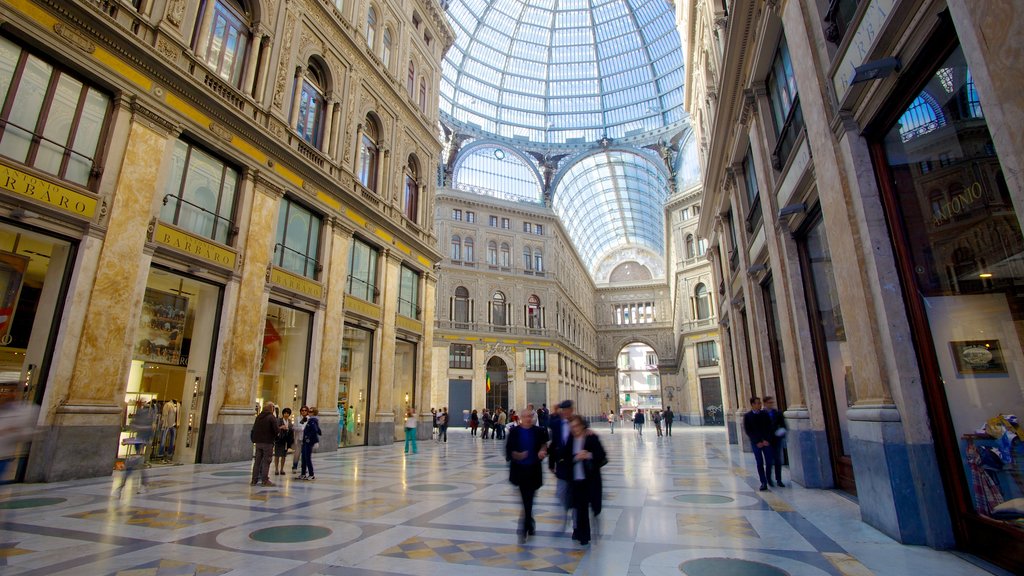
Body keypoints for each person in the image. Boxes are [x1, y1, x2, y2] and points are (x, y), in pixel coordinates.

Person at [555, 415, 607, 546]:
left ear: (583, 425)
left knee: (587, 507)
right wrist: (576, 457)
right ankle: (582, 534)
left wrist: (588, 455)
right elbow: (564, 456)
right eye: (572, 427)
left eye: (576, 426)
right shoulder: (571, 439)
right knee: (580, 508)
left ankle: (584, 534)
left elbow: (602, 455)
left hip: (589, 479)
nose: (574, 429)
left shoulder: (591, 437)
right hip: (576, 480)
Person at [506, 408, 549, 543]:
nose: (528, 419)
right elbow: (508, 451)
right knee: (527, 499)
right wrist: (516, 455)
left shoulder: (539, 431)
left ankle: (527, 523)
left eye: (530, 416)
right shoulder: (514, 432)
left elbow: (544, 446)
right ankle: (526, 525)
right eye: (525, 417)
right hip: (520, 471)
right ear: (520, 418)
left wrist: (543, 451)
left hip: (534, 470)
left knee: (528, 499)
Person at [548, 400, 575, 528]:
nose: (565, 412)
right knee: (560, 493)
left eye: (567, 410)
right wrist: (550, 463)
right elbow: (553, 444)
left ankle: (576, 526)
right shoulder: (557, 424)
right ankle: (564, 516)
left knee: (577, 498)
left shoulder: (578, 423)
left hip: (576, 467)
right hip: (562, 466)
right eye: (563, 410)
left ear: (571, 410)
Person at [119, 400, 156, 496]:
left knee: (135, 464)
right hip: (140, 441)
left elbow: (137, 427)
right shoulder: (142, 415)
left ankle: (123, 486)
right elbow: (135, 426)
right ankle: (140, 485)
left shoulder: (145, 415)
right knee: (137, 464)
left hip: (141, 441)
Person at [743, 396, 774, 491]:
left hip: (766, 442)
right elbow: (748, 431)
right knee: (759, 462)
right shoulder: (747, 416)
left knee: (769, 462)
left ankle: (768, 477)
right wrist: (757, 441)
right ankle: (763, 482)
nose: (760, 405)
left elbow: (770, 427)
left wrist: (766, 440)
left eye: (760, 403)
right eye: (758, 403)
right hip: (756, 443)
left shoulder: (764, 414)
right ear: (752, 404)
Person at [251, 401, 280, 487]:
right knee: (266, 461)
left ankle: (254, 480)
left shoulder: (259, 416)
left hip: (258, 442)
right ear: (272, 408)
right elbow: (276, 430)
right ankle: (265, 480)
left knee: (257, 461)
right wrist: (279, 431)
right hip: (267, 442)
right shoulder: (271, 417)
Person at [763, 396, 787, 487]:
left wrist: (781, 433)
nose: (771, 404)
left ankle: (779, 479)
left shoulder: (778, 413)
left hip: (776, 439)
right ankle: (768, 479)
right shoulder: (761, 414)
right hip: (766, 441)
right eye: (769, 402)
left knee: (777, 460)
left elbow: (783, 426)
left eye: (772, 402)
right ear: (765, 403)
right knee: (769, 461)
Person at [300, 407, 322, 480]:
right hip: (306, 441)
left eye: (310, 411)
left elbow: (315, 430)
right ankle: (303, 473)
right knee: (304, 457)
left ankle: (311, 474)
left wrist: (309, 438)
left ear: (314, 413)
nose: (308, 412)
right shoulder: (311, 420)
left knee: (307, 458)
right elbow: (318, 430)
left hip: (308, 442)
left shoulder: (313, 421)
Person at [273, 408, 294, 476]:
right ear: (283, 414)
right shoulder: (279, 420)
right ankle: (276, 469)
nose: (286, 414)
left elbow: (291, 429)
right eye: (285, 413)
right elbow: (275, 428)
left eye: (288, 413)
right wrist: (281, 427)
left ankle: (282, 469)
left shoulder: (290, 421)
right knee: (277, 455)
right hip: (279, 439)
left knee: (284, 455)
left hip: (286, 440)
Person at [291, 406, 308, 475]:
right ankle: (294, 467)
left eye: (305, 410)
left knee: (305, 455)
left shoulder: (309, 419)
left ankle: (304, 467)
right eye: (302, 410)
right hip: (298, 438)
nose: (303, 411)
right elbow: (294, 427)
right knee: (297, 454)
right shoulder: (297, 419)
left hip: (306, 439)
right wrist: (301, 428)